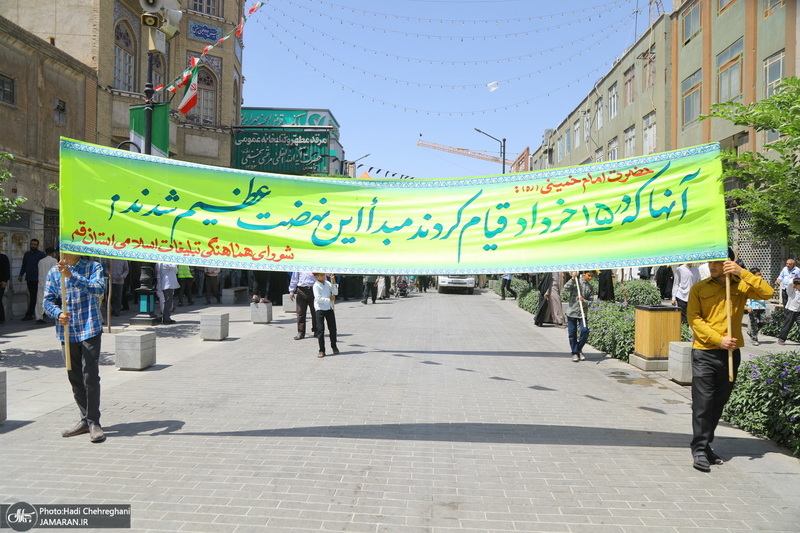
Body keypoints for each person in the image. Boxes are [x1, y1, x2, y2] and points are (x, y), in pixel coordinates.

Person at [687, 257, 773, 472]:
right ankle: (698, 449)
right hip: (704, 352)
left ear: (729, 263)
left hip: (731, 354)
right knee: (703, 402)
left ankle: (706, 446)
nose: (713, 267)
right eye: (711, 263)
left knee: (718, 402)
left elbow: (767, 294)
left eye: (719, 263)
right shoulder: (699, 288)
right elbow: (694, 319)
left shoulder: (741, 285)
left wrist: (742, 272)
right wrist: (719, 339)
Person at [42, 253, 107, 443]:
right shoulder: (54, 272)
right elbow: (47, 300)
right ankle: (85, 419)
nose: (66, 251)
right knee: (75, 376)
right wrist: (58, 313)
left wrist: (72, 275)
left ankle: (94, 421)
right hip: (67, 332)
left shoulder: (94, 267)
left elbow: (98, 288)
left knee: (90, 375)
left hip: (90, 328)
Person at [563, 271, 595, 362]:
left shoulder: (590, 287)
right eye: (589, 275)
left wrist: (584, 301)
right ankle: (575, 353)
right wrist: (573, 278)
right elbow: (566, 288)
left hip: (582, 313)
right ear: (584, 274)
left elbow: (592, 303)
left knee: (585, 331)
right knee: (572, 333)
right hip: (572, 312)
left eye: (592, 276)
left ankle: (578, 349)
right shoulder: (576, 282)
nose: (590, 278)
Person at [18, 238, 46, 320]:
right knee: (33, 296)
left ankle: (30, 314)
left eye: (34, 245)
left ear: (37, 245)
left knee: (36, 296)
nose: (33, 246)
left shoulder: (41, 255)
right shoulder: (27, 254)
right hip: (29, 278)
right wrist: (21, 275)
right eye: (32, 244)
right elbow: (24, 265)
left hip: (38, 278)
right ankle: (36, 312)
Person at [312, 273, 339, 358]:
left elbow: (335, 292)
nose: (323, 276)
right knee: (320, 330)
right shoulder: (316, 286)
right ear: (316, 277)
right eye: (321, 275)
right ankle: (321, 349)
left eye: (323, 275)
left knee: (333, 328)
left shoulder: (327, 283)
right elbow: (318, 299)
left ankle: (334, 346)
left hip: (329, 308)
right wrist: (329, 299)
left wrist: (333, 281)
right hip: (320, 309)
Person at [289, 271, 317, 340]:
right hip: (301, 290)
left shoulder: (316, 263)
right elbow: (294, 278)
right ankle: (301, 332)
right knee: (300, 312)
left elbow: (323, 276)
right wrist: (291, 291)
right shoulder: (300, 265)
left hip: (314, 289)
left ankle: (316, 330)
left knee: (315, 312)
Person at [35, 247, 59, 324]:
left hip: (41, 282)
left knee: (39, 300)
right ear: (52, 253)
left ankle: (38, 317)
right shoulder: (54, 261)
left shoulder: (41, 261)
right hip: (51, 283)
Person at [745, 268, 767, 346]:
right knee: (754, 324)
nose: (760, 276)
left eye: (760, 274)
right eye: (758, 274)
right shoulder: (749, 284)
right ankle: (754, 339)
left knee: (763, 322)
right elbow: (746, 296)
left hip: (762, 306)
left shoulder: (762, 283)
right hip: (753, 306)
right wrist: (748, 306)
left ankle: (751, 332)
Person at [777, 277, 800, 346]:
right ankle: (782, 339)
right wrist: (793, 278)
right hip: (791, 310)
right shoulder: (791, 291)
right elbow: (790, 283)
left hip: (799, 311)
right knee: (787, 325)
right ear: (795, 285)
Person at [0, 251, 9, 325]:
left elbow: (7, 269)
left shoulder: (3, 257)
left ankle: (1, 319)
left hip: (1, 283)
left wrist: (5, 280)